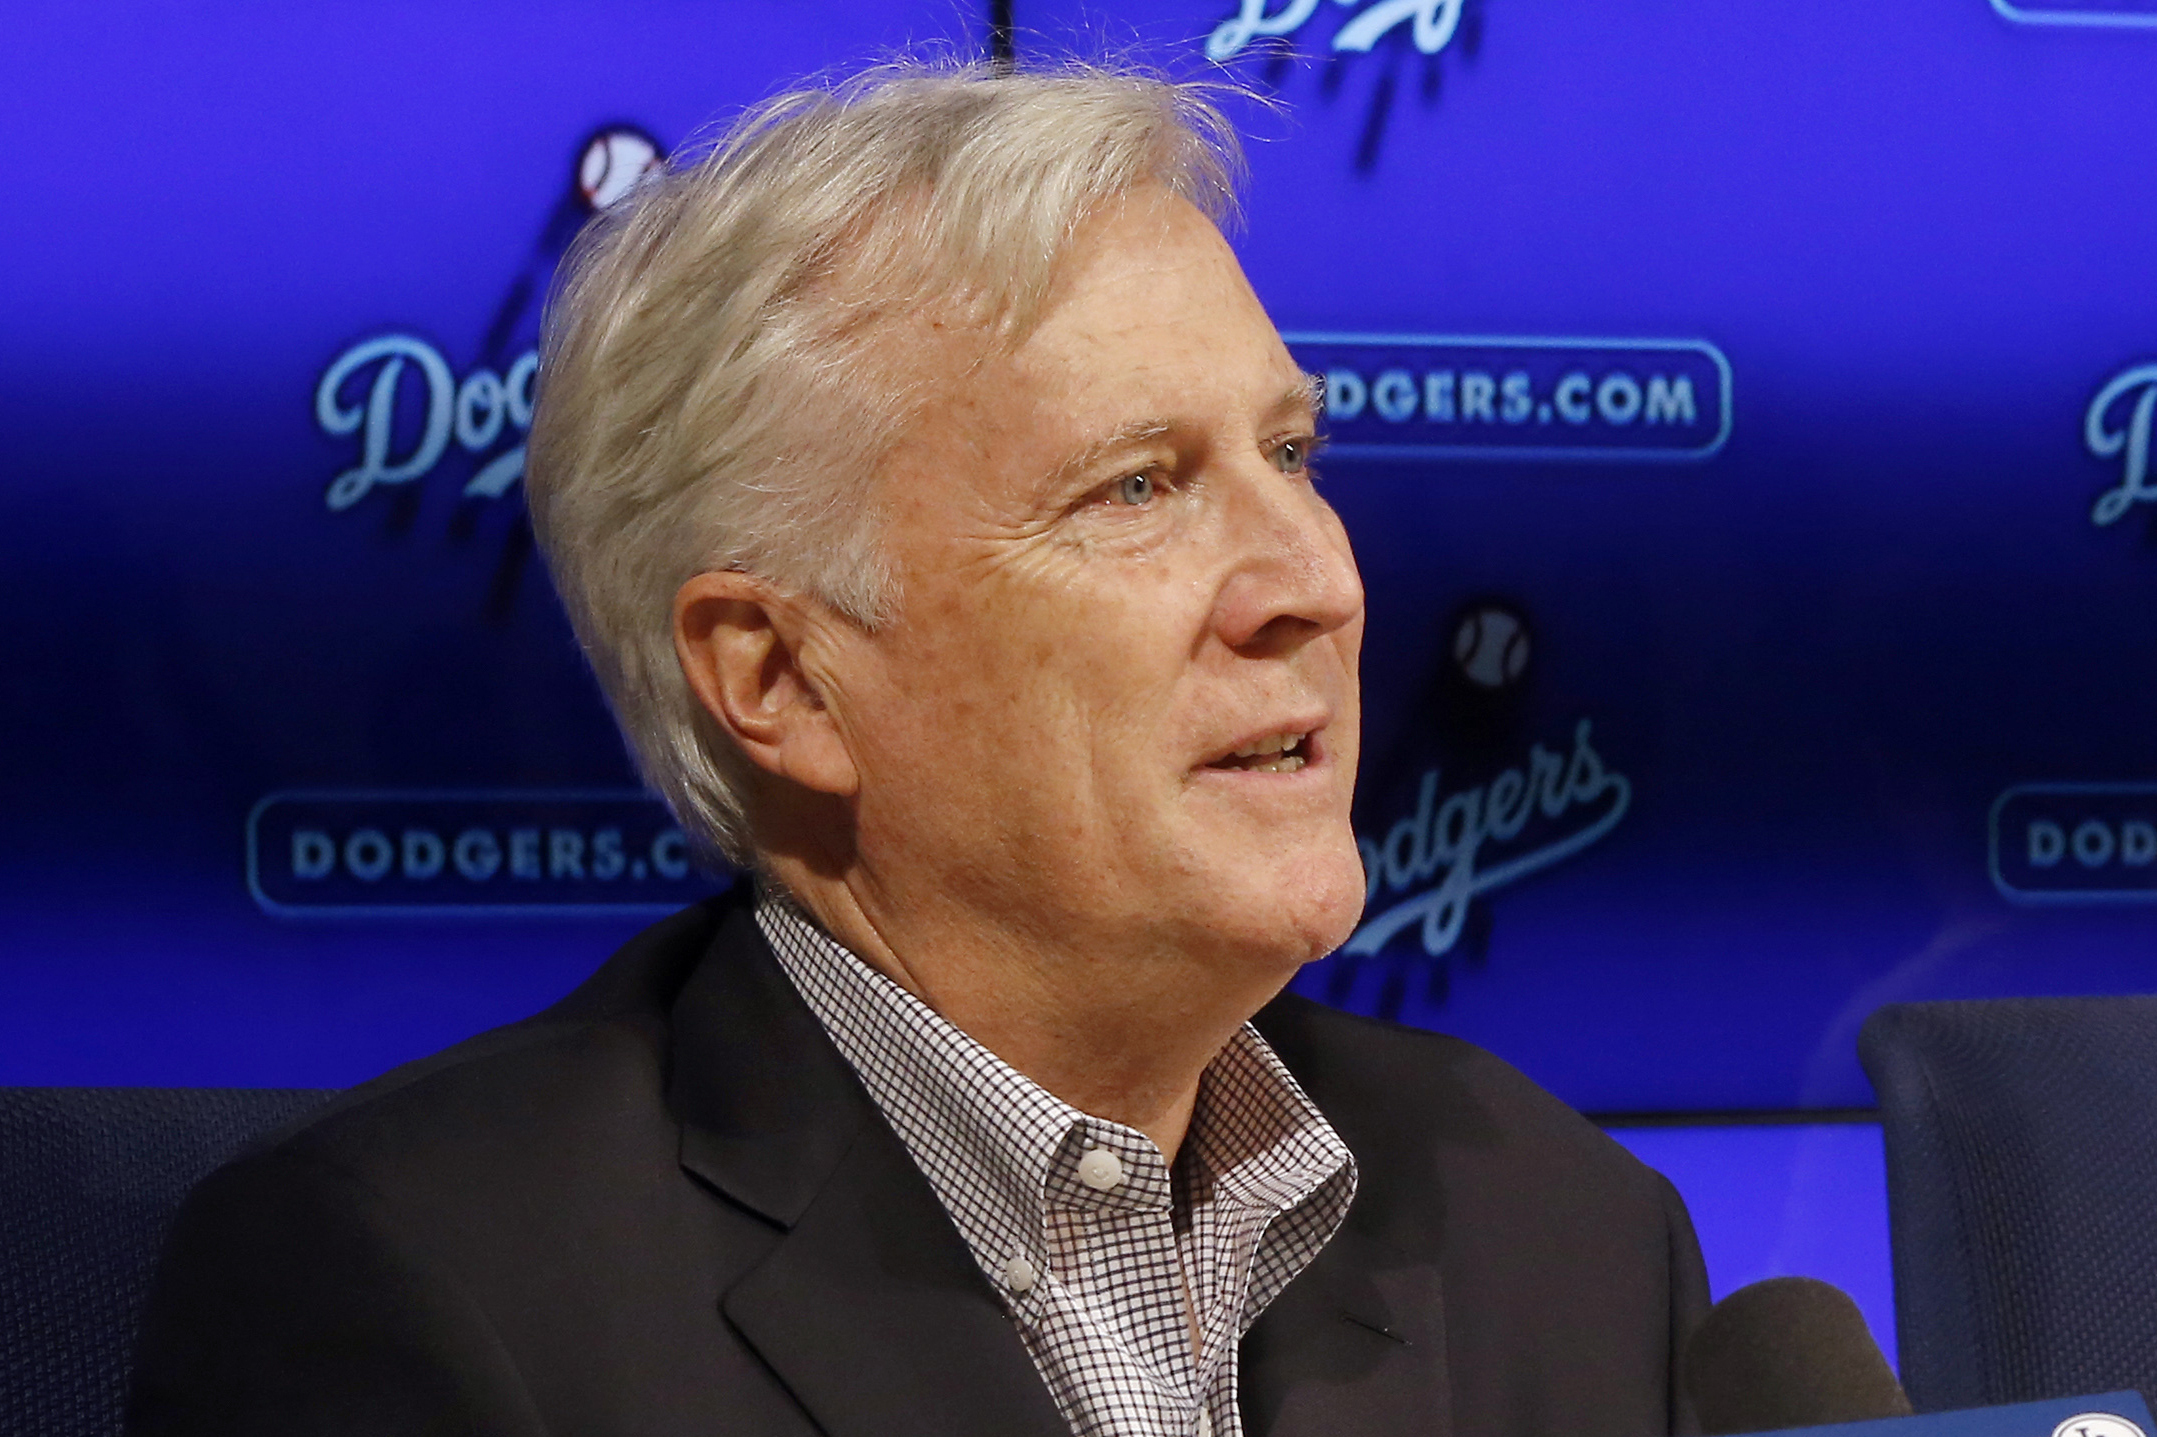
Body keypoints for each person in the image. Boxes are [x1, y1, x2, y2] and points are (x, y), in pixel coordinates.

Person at [129, 62, 1709, 1437]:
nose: (1317, 580)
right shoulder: (434, 1295)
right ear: (781, 678)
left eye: (1291, 453)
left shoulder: (1552, 1225)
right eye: (1137, 489)